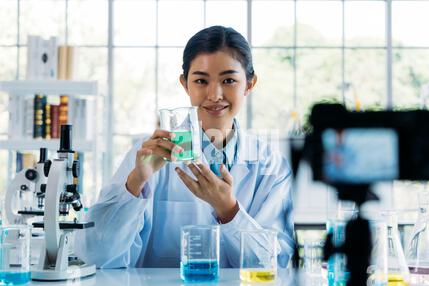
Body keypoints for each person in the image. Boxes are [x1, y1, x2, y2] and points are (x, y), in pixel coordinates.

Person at [78, 25, 295, 268]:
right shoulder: (148, 155)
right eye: (201, 80)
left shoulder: (271, 166)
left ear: (249, 84)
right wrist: (136, 182)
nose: (214, 94)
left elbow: (276, 264)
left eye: (229, 80)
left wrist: (229, 210)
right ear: (185, 84)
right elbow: (94, 254)